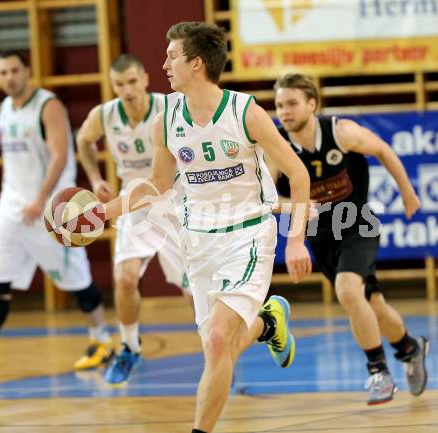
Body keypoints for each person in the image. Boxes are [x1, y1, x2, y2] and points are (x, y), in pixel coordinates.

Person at [95, 21, 312, 433]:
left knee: (216, 341)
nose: (164, 65)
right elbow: (157, 186)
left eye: (172, 57)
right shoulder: (166, 118)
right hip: (197, 242)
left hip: (247, 235)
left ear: (196, 64)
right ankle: (267, 323)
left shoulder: (244, 112)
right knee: (220, 346)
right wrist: (100, 213)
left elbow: (298, 175)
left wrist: (296, 240)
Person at [271, 73, 429, 405]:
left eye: (291, 103)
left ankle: (378, 373)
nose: (284, 111)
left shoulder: (340, 132)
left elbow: (384, 150)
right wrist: (295, 204)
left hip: (358, 223)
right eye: (279, 104)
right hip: (320, 233)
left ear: (312, 104)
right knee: (371, 303)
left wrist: (408, 191)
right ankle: (410, 348)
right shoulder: (277, 147)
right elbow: (268, 197)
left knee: (346, 289)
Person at [77, 54, 192, 385]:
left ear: (144, 79)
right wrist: (95, 176)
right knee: (125, 278)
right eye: (118, 84)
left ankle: (216, 356)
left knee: (192, 291)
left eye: (131, 82)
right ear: (112, 86)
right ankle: (129, 347)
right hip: (135, 203)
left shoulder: (168, 107)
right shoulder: (104, 115)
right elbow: (84, 140)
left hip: (174, 198)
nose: (126, 90)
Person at [0, 50, 113, 370]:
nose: (8, 77)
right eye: (3, 72)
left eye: (13, 71)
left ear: (27, 71)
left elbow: (61, 155)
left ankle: (102, 339)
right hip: (11, 209)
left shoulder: (48, 106)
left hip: (50, 210)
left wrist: (39, 199)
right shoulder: (4, 109)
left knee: (77, 280)